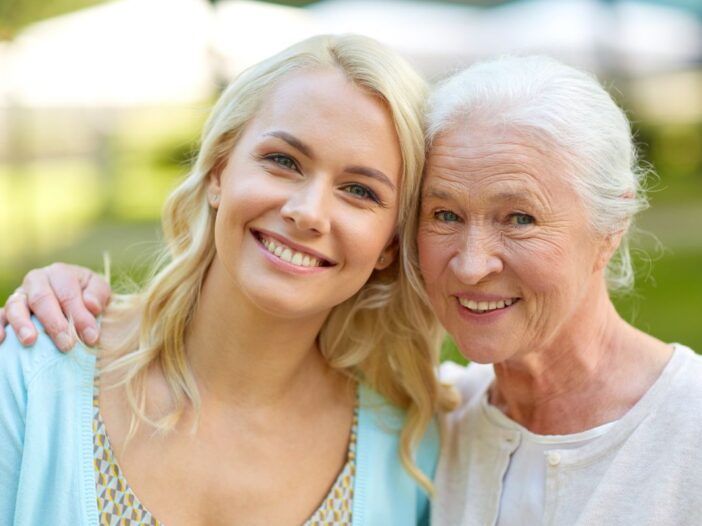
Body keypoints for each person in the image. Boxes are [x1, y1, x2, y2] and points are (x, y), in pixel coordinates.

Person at [5, 56, 702, 526]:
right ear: (217, 170)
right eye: (445, 214)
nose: (469, 263)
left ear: (612, 223)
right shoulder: (442, 428)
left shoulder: (410, 441)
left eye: (520, 217)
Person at [0, 34, 457, 526]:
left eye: (359, 190)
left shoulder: (411, 448)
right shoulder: (32, 376)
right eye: (283, 161)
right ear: (219, 170)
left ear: (389, 243)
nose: (307, 213)